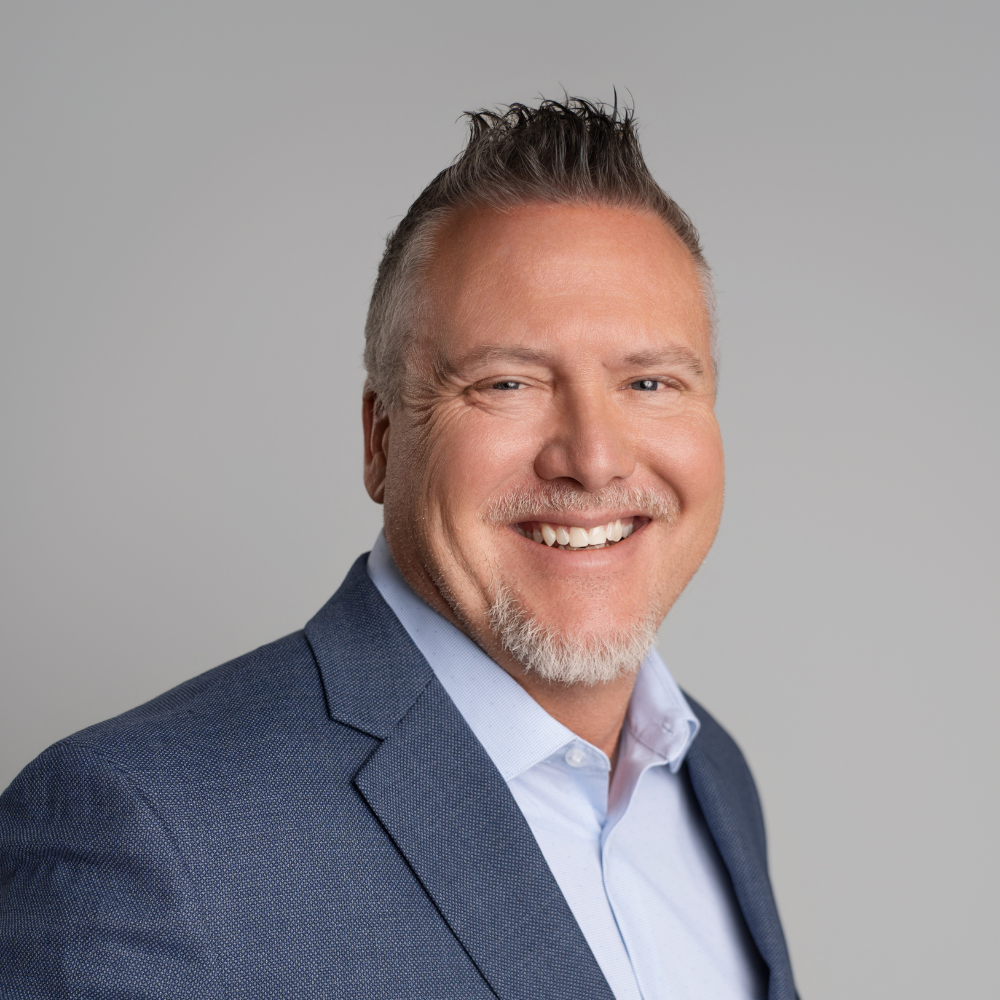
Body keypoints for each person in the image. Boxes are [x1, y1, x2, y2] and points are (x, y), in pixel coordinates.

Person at [0, 98, 798, 1000]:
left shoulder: (711, 779)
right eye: (508, 381)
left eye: (650, 381)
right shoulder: (145, 839)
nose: (594, 459)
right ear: (381, 440)